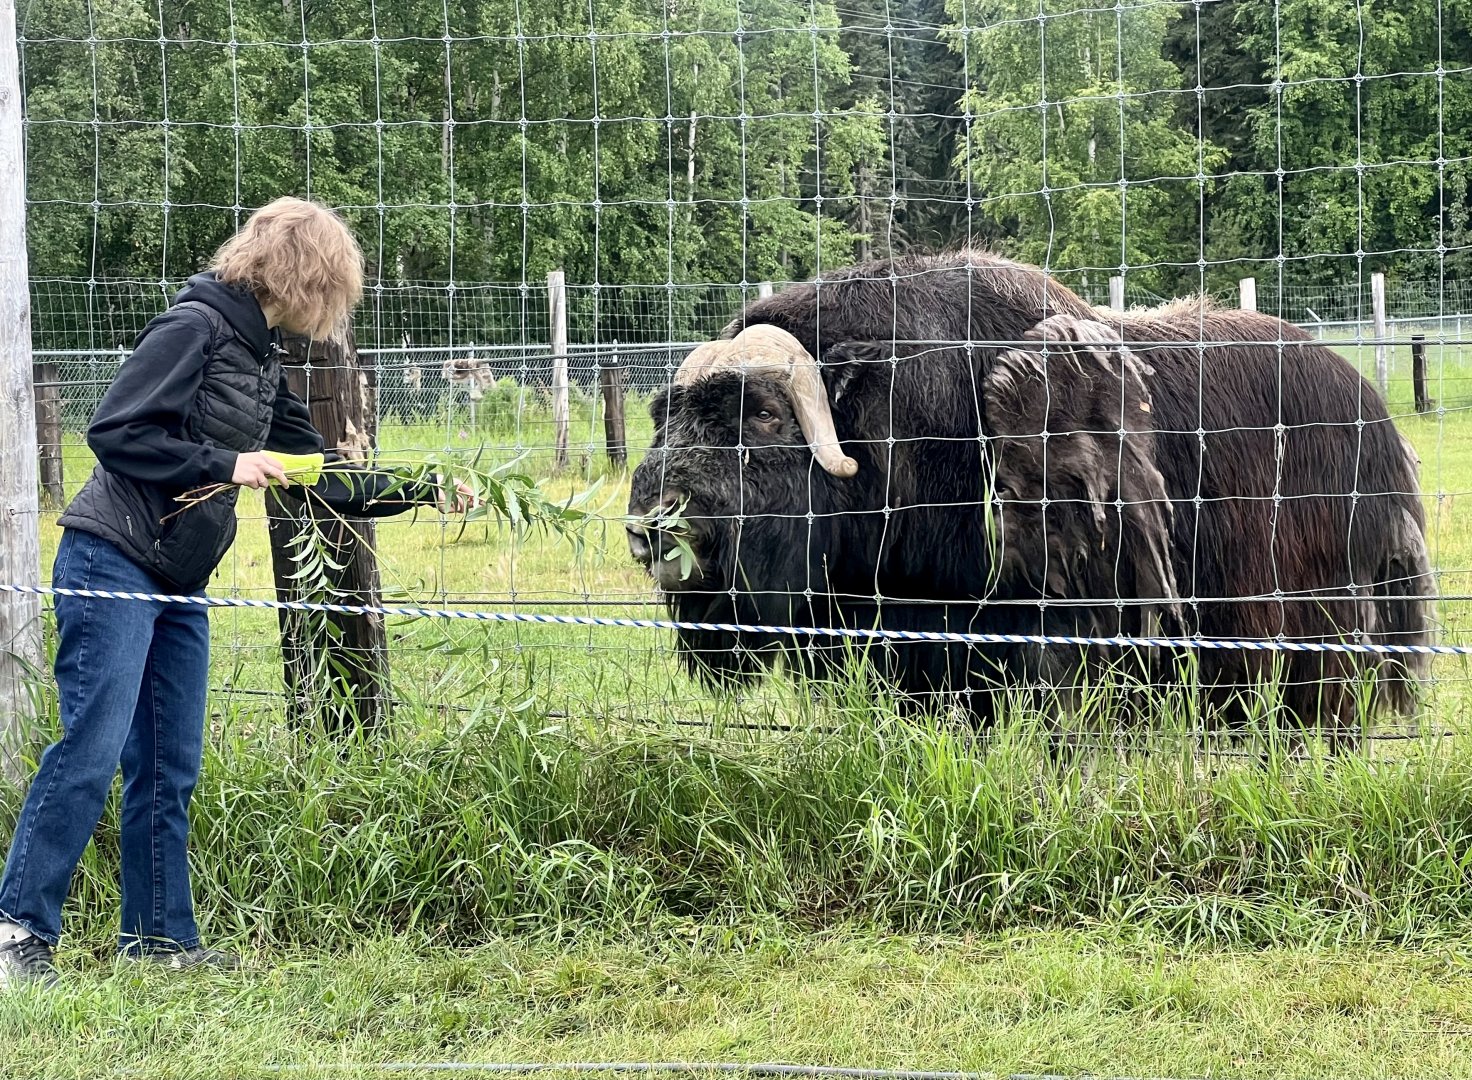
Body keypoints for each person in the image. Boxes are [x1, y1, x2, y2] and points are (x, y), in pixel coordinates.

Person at [0, 197, 469, 987]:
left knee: (170, 764)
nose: (331, 308)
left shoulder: (259, 356)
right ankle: (16, 934)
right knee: (90, 749)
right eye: (331, 287)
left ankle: (158, 942)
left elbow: (321, 472)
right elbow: (115, 430)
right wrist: (225, 465)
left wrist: (427, 487)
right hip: (111, 559)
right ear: (299, 275)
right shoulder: (194, 326)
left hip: (179, 577)